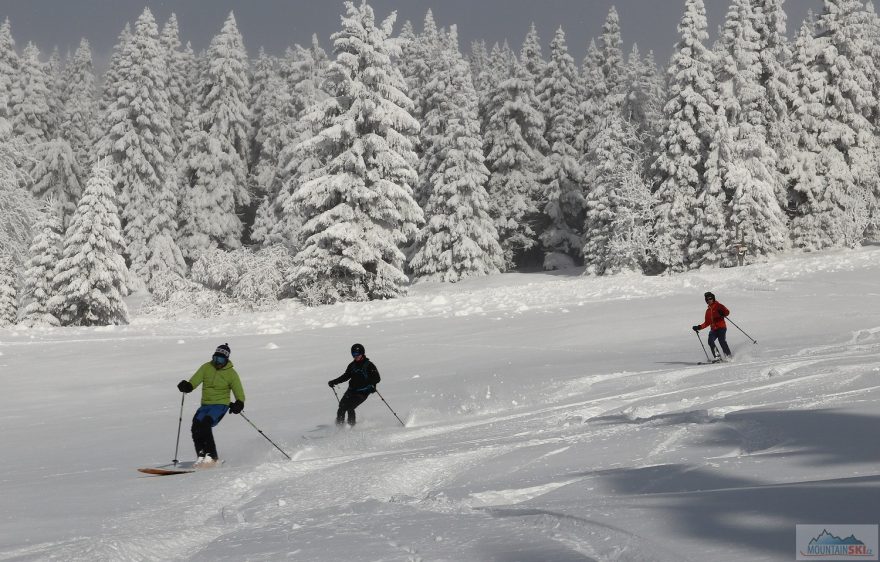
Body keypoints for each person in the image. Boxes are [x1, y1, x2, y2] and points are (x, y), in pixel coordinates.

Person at [177, 343, 245, 463]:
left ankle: (212, 457)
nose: (217, 362)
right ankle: (201, 455)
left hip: (220, 405)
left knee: (205, 424)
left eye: (220, 359)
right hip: (205, 405)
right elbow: (194, 382)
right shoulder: (206, 367)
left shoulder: (231, 374)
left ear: (226, 359)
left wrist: (239, 403)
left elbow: (239, 392)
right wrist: (187, 386)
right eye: (215, 358)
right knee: (195, 426)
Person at [328, 343, 381, 426]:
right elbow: (346, 376)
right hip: (351, 390)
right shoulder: (352, 365)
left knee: (350, 408)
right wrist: (334, 381)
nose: (355, 356)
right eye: (353, 354)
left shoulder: (369, 365)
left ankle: (351, 427)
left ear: (362, 353)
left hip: (363, 392)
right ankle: (339, 427)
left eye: (357, 354)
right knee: (341, 407)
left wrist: (369, 383)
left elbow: (377, 378)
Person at [692, 292, 732, 360]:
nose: (709, 300)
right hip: (713, 330)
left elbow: (727, 312)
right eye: (707, 299)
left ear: (713, 298)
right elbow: (707, 323)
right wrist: (699, 327)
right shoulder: (708, 311)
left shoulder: (719, 305)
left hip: (721, 328)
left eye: (710, 298)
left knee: (721, 341)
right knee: (710, 341)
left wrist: (723, 313)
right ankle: (718, 357)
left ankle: (728, 357)